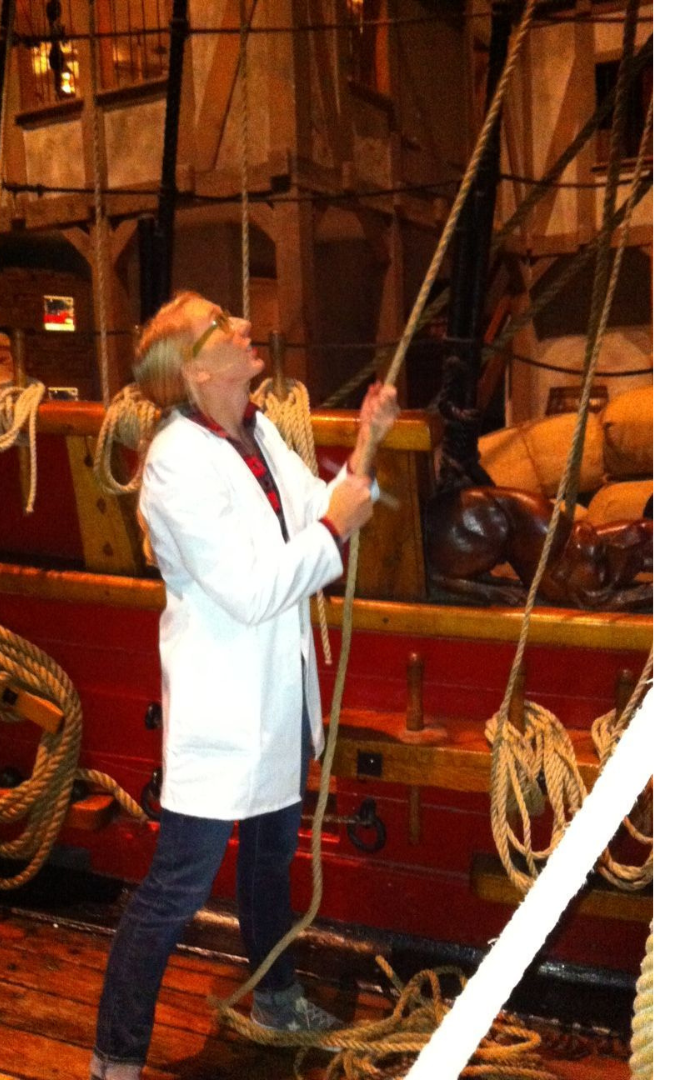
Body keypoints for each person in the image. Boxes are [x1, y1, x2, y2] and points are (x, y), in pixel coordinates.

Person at [89, 292, 399, 1080]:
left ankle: (275, 996)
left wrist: (368, 441)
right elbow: (256, 587)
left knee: (267, 862)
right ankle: (115, 1057)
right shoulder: (174, 462)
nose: (242, 329)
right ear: (196, 368)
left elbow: (323, 508)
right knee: (176, 890)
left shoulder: (256, 434)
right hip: (222, 715)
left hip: (279, 700)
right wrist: (335, 529)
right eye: (223, 326)